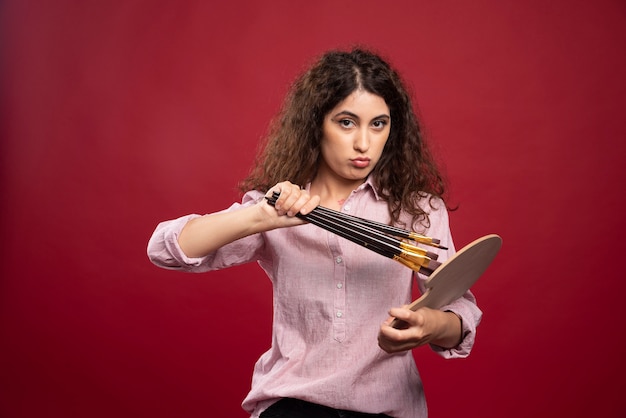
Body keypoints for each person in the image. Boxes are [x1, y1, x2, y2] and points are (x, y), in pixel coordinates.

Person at [147, 47, 482, 418]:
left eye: (378, 124)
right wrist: (258, 217)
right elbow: (165, 249)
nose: (364, 144)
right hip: (292, 405)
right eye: (346, 122)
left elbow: (458, 312)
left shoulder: (419, 209)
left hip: (389, 408)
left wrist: (430, 325)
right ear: (316, 124)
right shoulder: (277, 205)